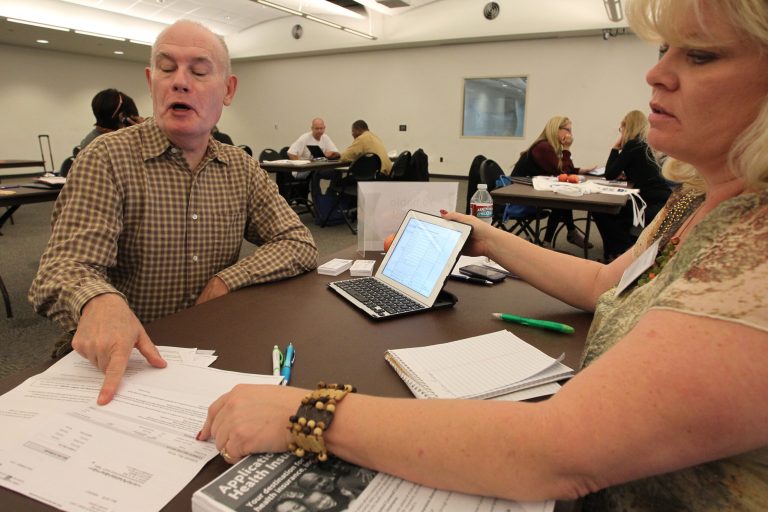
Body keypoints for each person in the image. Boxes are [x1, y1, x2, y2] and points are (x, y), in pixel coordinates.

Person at [200, 0, 768, 509]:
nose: (655, 72)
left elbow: (558, 452)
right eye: (666, 49)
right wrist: (489, 239)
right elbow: (606, 283)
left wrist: (309, 413)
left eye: (700, 55)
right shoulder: (691, 201)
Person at [29, 20, 318, 406]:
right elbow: (61, 268)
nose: (180, 82)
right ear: (151, 81)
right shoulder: (107, 158)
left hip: (210, 353)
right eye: (167, 69)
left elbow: (297, 242)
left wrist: (227, 280)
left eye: (199, 71)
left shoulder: (242, 168)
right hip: (125, 363)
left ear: (227, 90)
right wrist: (97, 299)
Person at [593, 110, 672, 261]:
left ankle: (626, 253)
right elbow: (641, 171)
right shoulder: (643, 145)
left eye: (621, 129)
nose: (621, 132)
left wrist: (615, 148)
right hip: (660, 201)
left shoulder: (632, 145)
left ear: (627, 127)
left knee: (602, 211)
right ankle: (616, 254)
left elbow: (609, 173)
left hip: (652, 205)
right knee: (613, 212)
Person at [513, 116, 595, 249]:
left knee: (562, 198)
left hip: (529, 189)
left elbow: (561, 169)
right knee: (560, 201)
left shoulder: (547, 145)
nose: (570, 135)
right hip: (518, 195)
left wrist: (581, 170)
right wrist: (567, 149)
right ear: (556, 129)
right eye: (567, 130)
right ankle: (554, 240)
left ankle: (564, 235)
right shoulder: (543, 147)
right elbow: (562, 171)